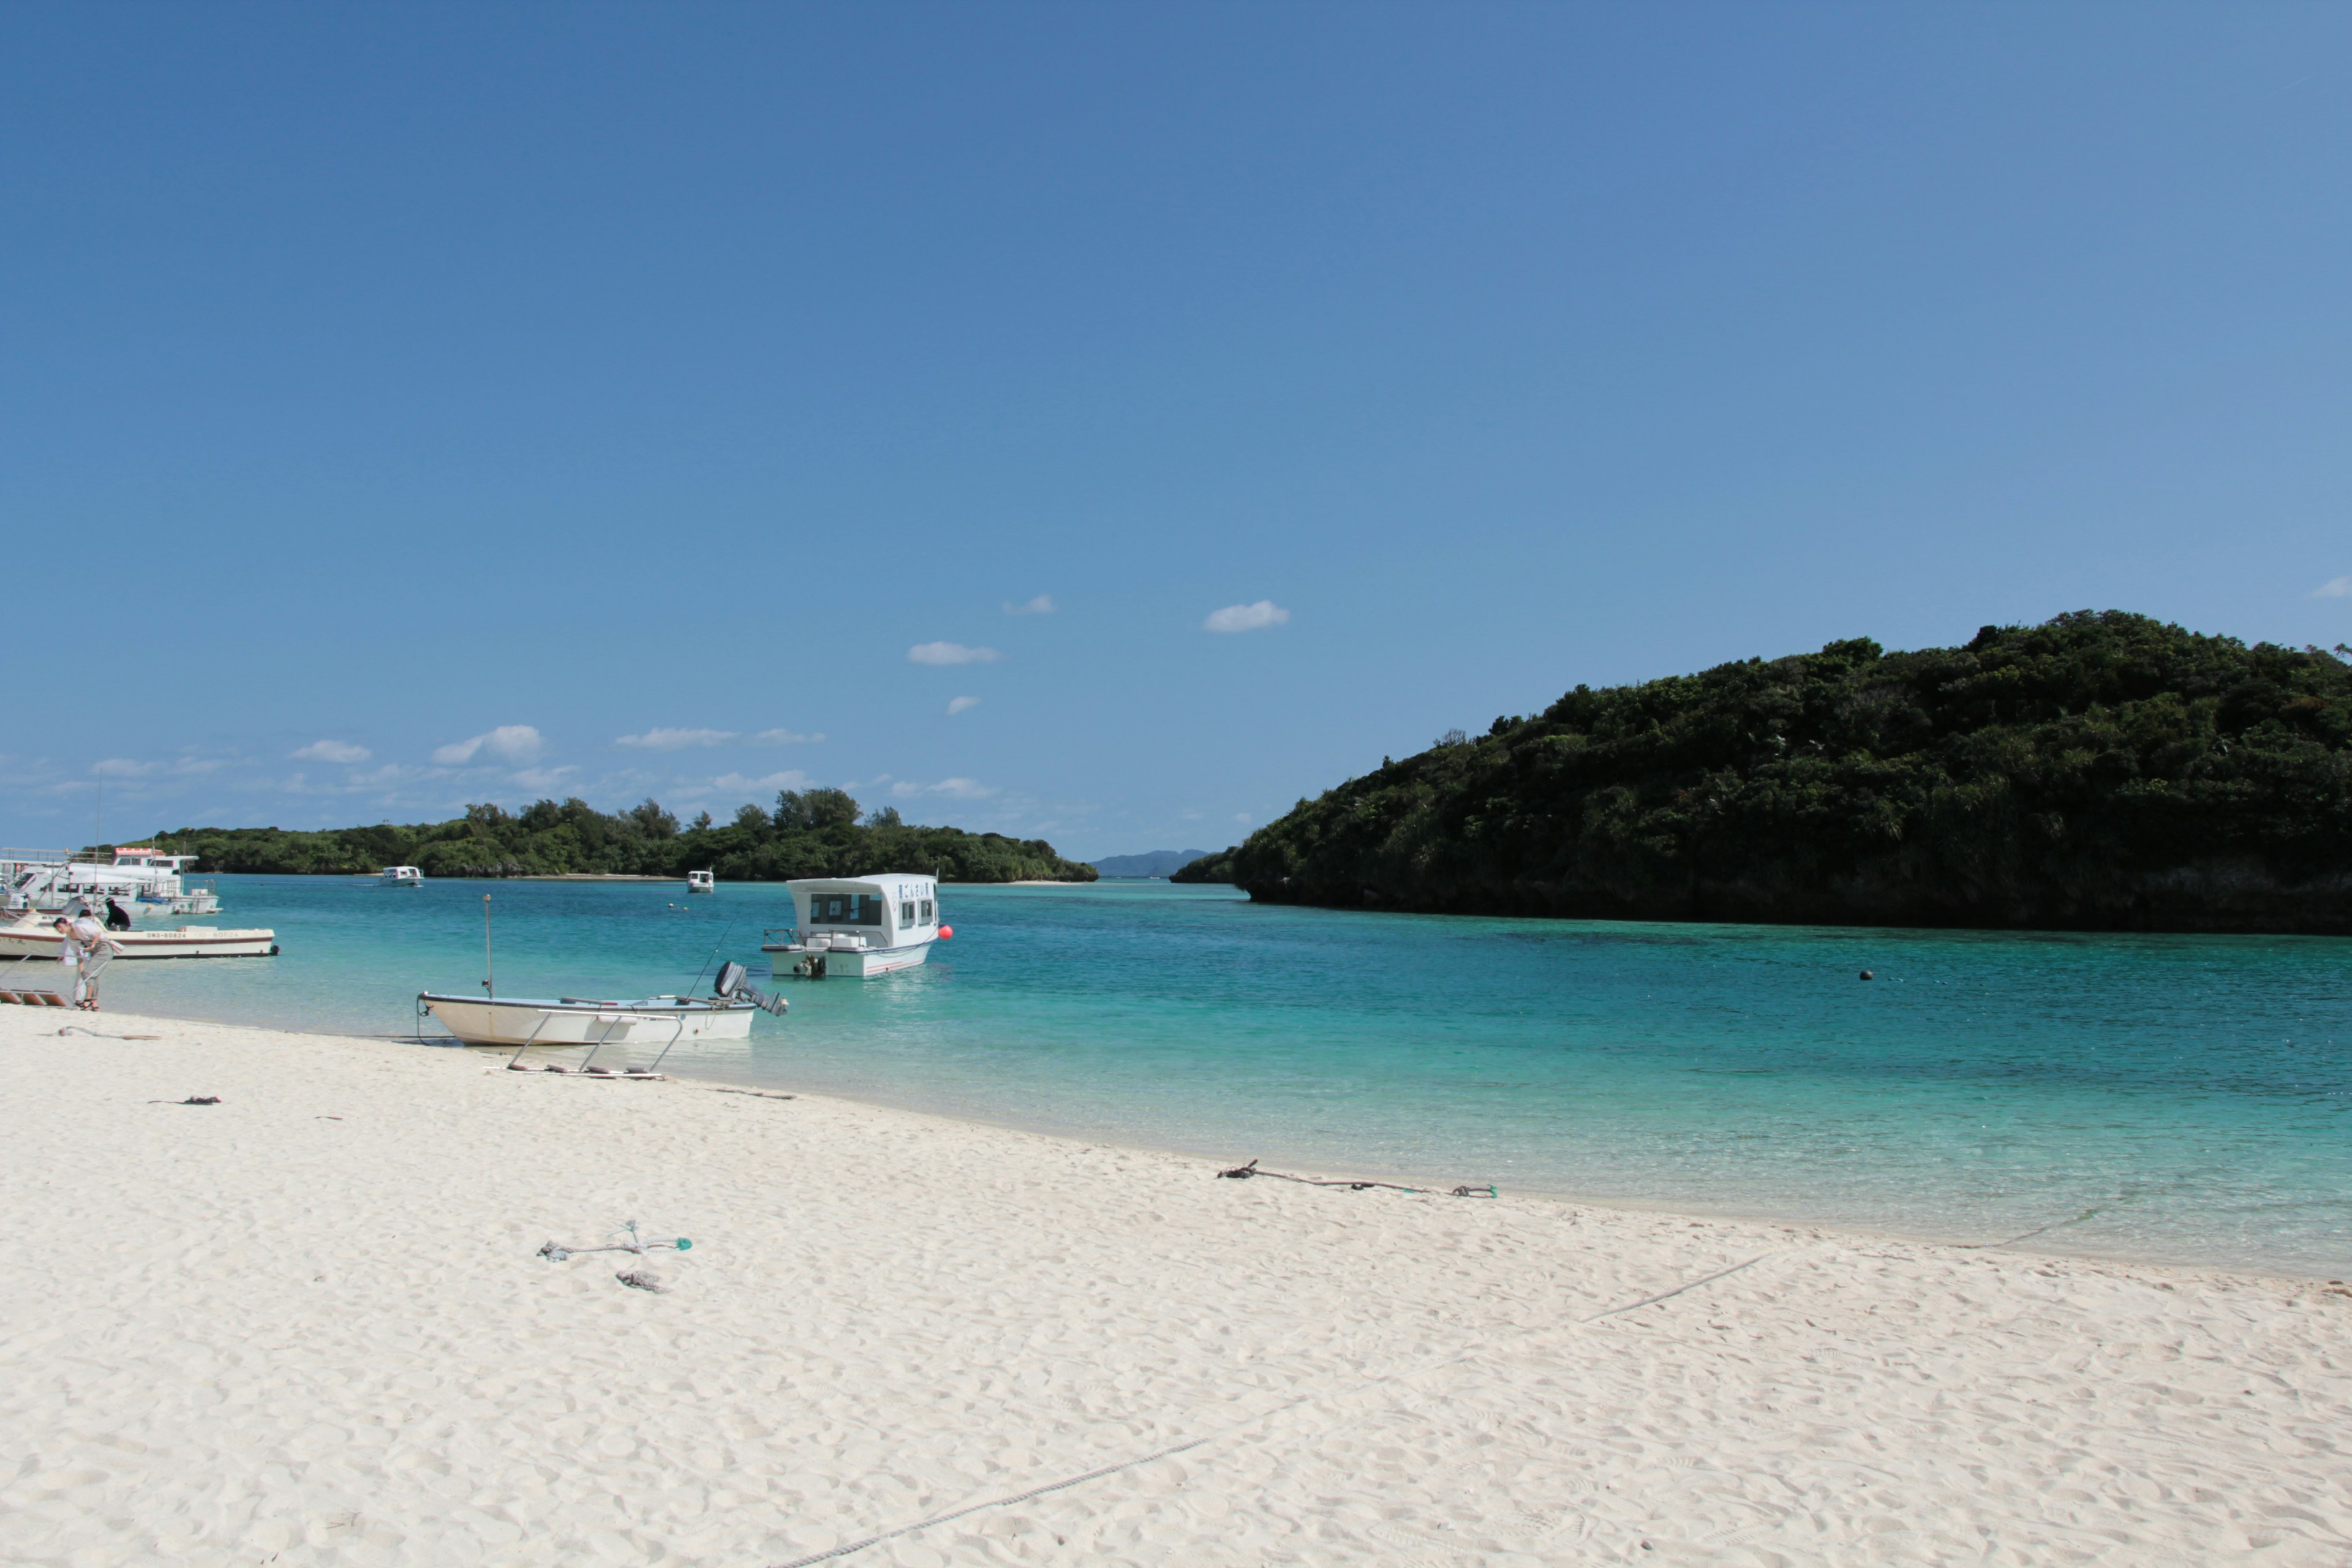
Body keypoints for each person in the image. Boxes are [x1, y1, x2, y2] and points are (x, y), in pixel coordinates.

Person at [62, 910, 117, 1011]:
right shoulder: (72, 939)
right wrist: (81, 970)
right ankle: (94, 1002)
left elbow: (97, 933)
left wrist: (92, 946)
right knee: (92, 976)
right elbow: (79, 956)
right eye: (57, 929)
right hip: (96, 952)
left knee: (89, 974)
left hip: (104, 949)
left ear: (67, 924)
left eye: (60, 927)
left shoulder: (79, 927)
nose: (60, 930)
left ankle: (87, 1000)